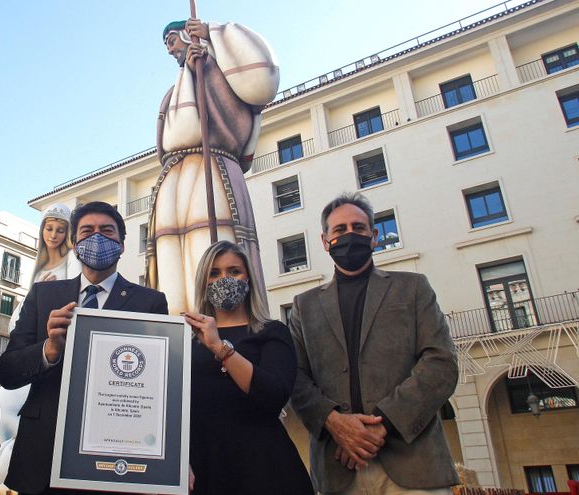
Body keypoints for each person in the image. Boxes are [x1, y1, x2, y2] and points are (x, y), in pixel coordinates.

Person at [289, 193, 459, 494]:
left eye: (359, 227)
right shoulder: (304, 306)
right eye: (340, 230)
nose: (350, 235)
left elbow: (441, 363)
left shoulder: (413, 288)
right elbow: (296, 377)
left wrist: (382, 425)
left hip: (413, 467)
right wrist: (336, 423)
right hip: (338, 469)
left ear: (374, 236)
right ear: (325, 240)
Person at [0, 201, 168, 495]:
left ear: (122, 245)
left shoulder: (149, 302)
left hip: (115, 455)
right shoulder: (42, 295)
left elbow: (156, 382)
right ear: (75, 244)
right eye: (87, 231)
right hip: (43, 457)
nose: (97, 237)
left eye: (107, 231)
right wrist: (49, 350)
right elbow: (8, 372)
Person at [146, 18, 280, 314]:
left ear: (186, 33)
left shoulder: (221, 75)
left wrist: (212, 34)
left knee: (214, 243)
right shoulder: (174, 91)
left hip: (214, 170)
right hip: (175, 179)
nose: (169, 50)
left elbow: (261, 83)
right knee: (174, 262)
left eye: (171, 40)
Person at [184, 241, 313, 495]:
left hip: (266, 469)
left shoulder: (272, 332)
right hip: (206, 470)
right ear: (203, 282)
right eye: (214, 273)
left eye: (234, 271)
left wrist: (220, 348)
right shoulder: (187, 341)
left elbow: (274, 396)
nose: (225, 279)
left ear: (249, 278)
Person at [0, 203, 81, 490]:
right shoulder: (40, 266)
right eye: (48, 228)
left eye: (60, 230)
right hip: (32, 352)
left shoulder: (72, 266)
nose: (53, 235)